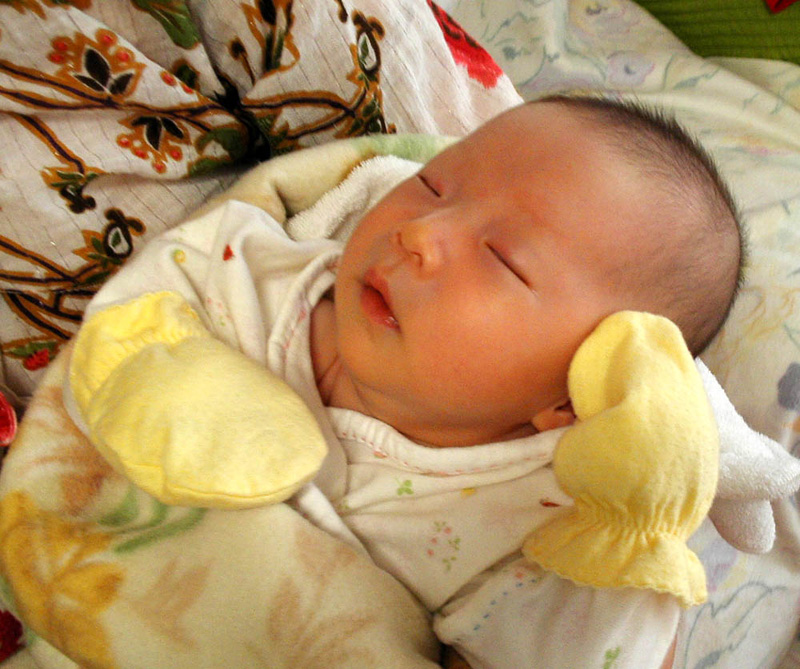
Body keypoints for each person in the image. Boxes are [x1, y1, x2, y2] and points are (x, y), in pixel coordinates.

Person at [65, 95, 744, 669]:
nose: (419, 232)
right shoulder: (257, 275)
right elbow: (134, 320)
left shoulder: (529, 532)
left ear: (572, 393)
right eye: (433, 185)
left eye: (503, 259)